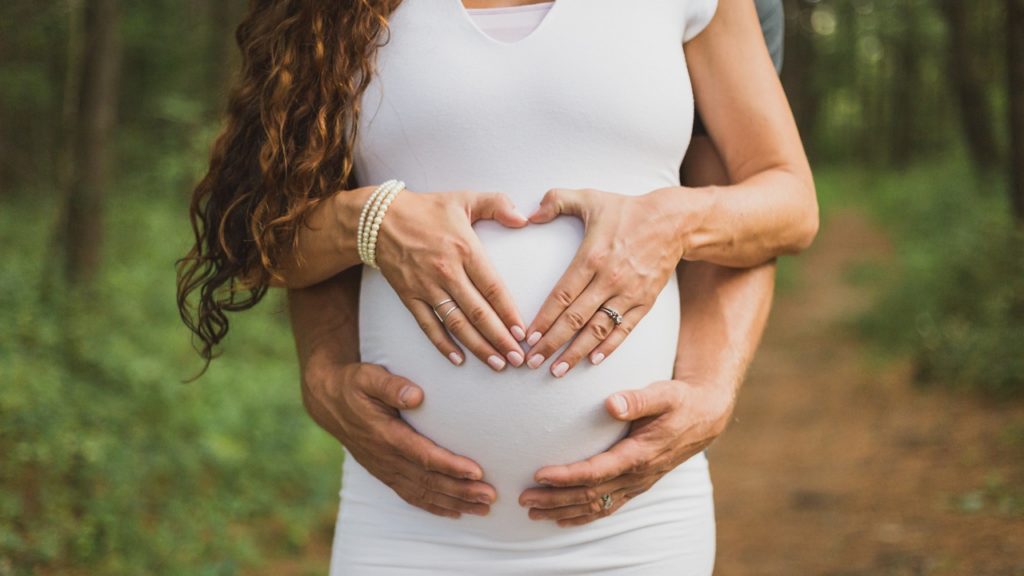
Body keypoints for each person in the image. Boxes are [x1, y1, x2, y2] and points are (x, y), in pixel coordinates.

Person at [177, 0, 815, 574]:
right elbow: (256, 240)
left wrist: (673, 222)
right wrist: (371, 223)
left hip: (636, 526)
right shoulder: (328, 12)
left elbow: (785, 201)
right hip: (406, 524)